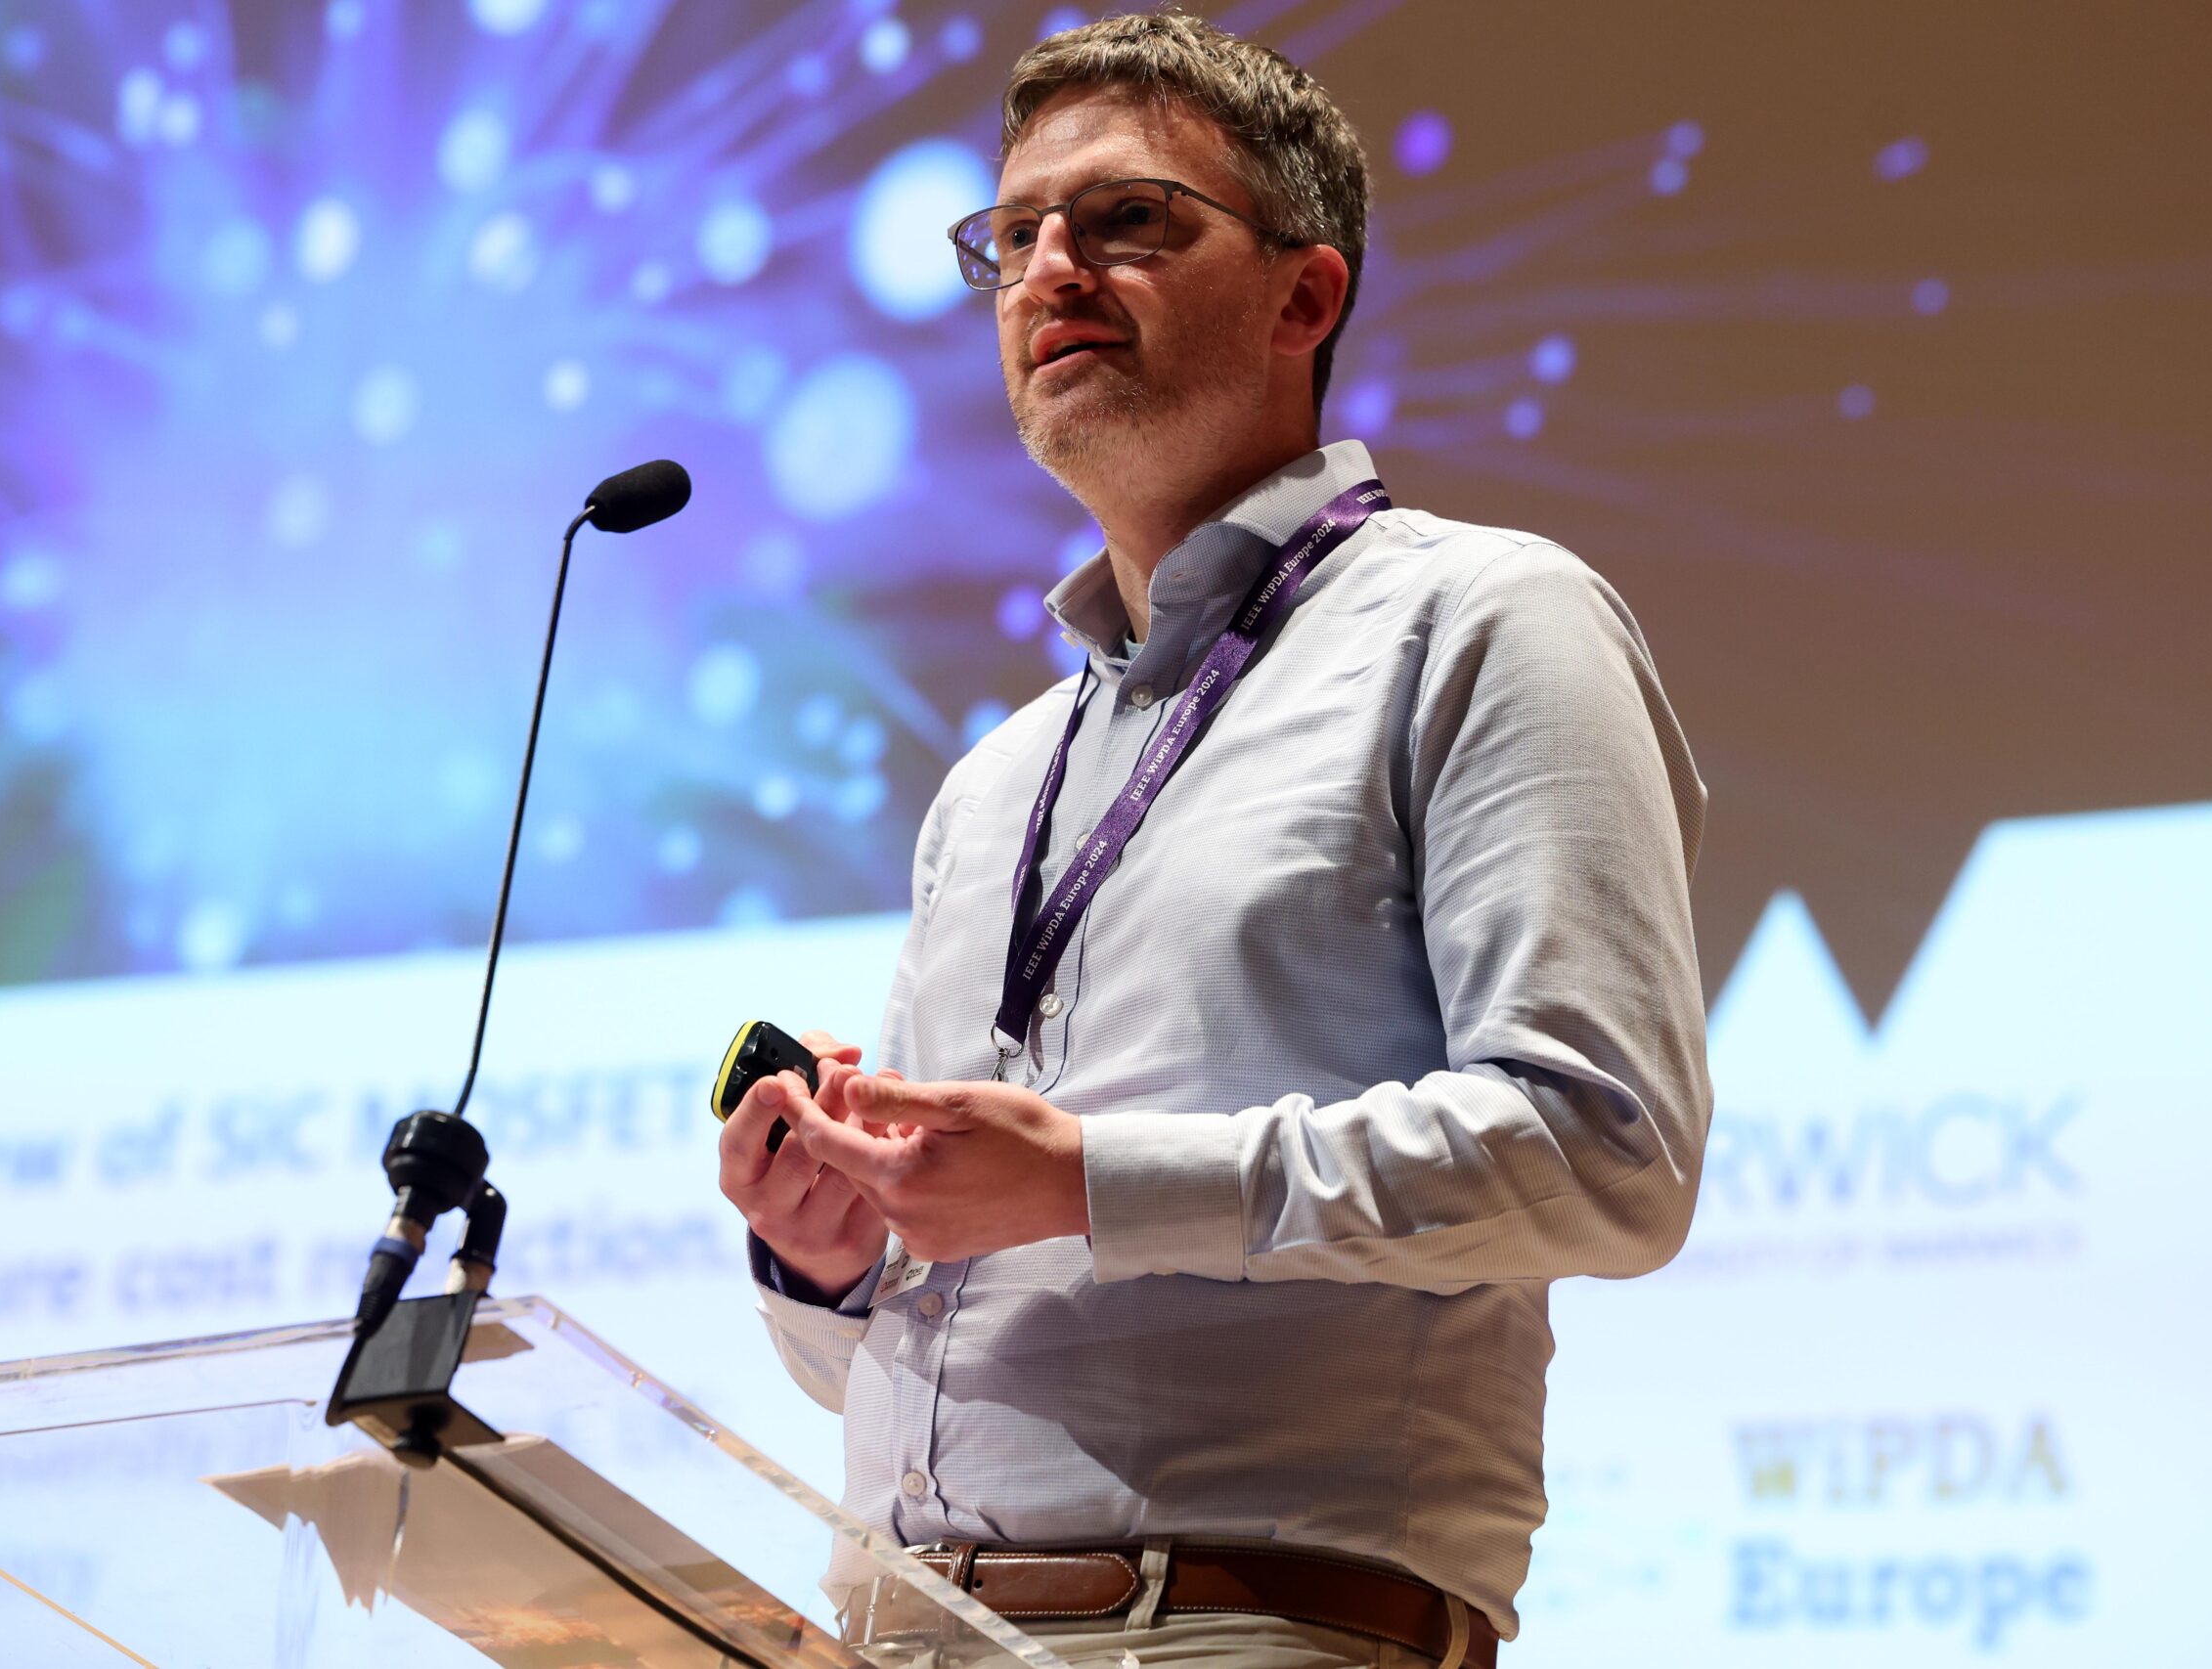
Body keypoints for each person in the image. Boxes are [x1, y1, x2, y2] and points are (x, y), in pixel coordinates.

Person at [715, 15, 1710, 1667]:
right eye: (1015, 233)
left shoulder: (1478, 622)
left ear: (1304, 296)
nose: (1051, 269)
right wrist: (833, 1270)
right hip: (895, 1632)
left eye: (1130, 221)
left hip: (1241, 1633)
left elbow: (1604, 1157)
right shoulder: (1000, 779)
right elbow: (963, 1335)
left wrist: (1090, 1180)